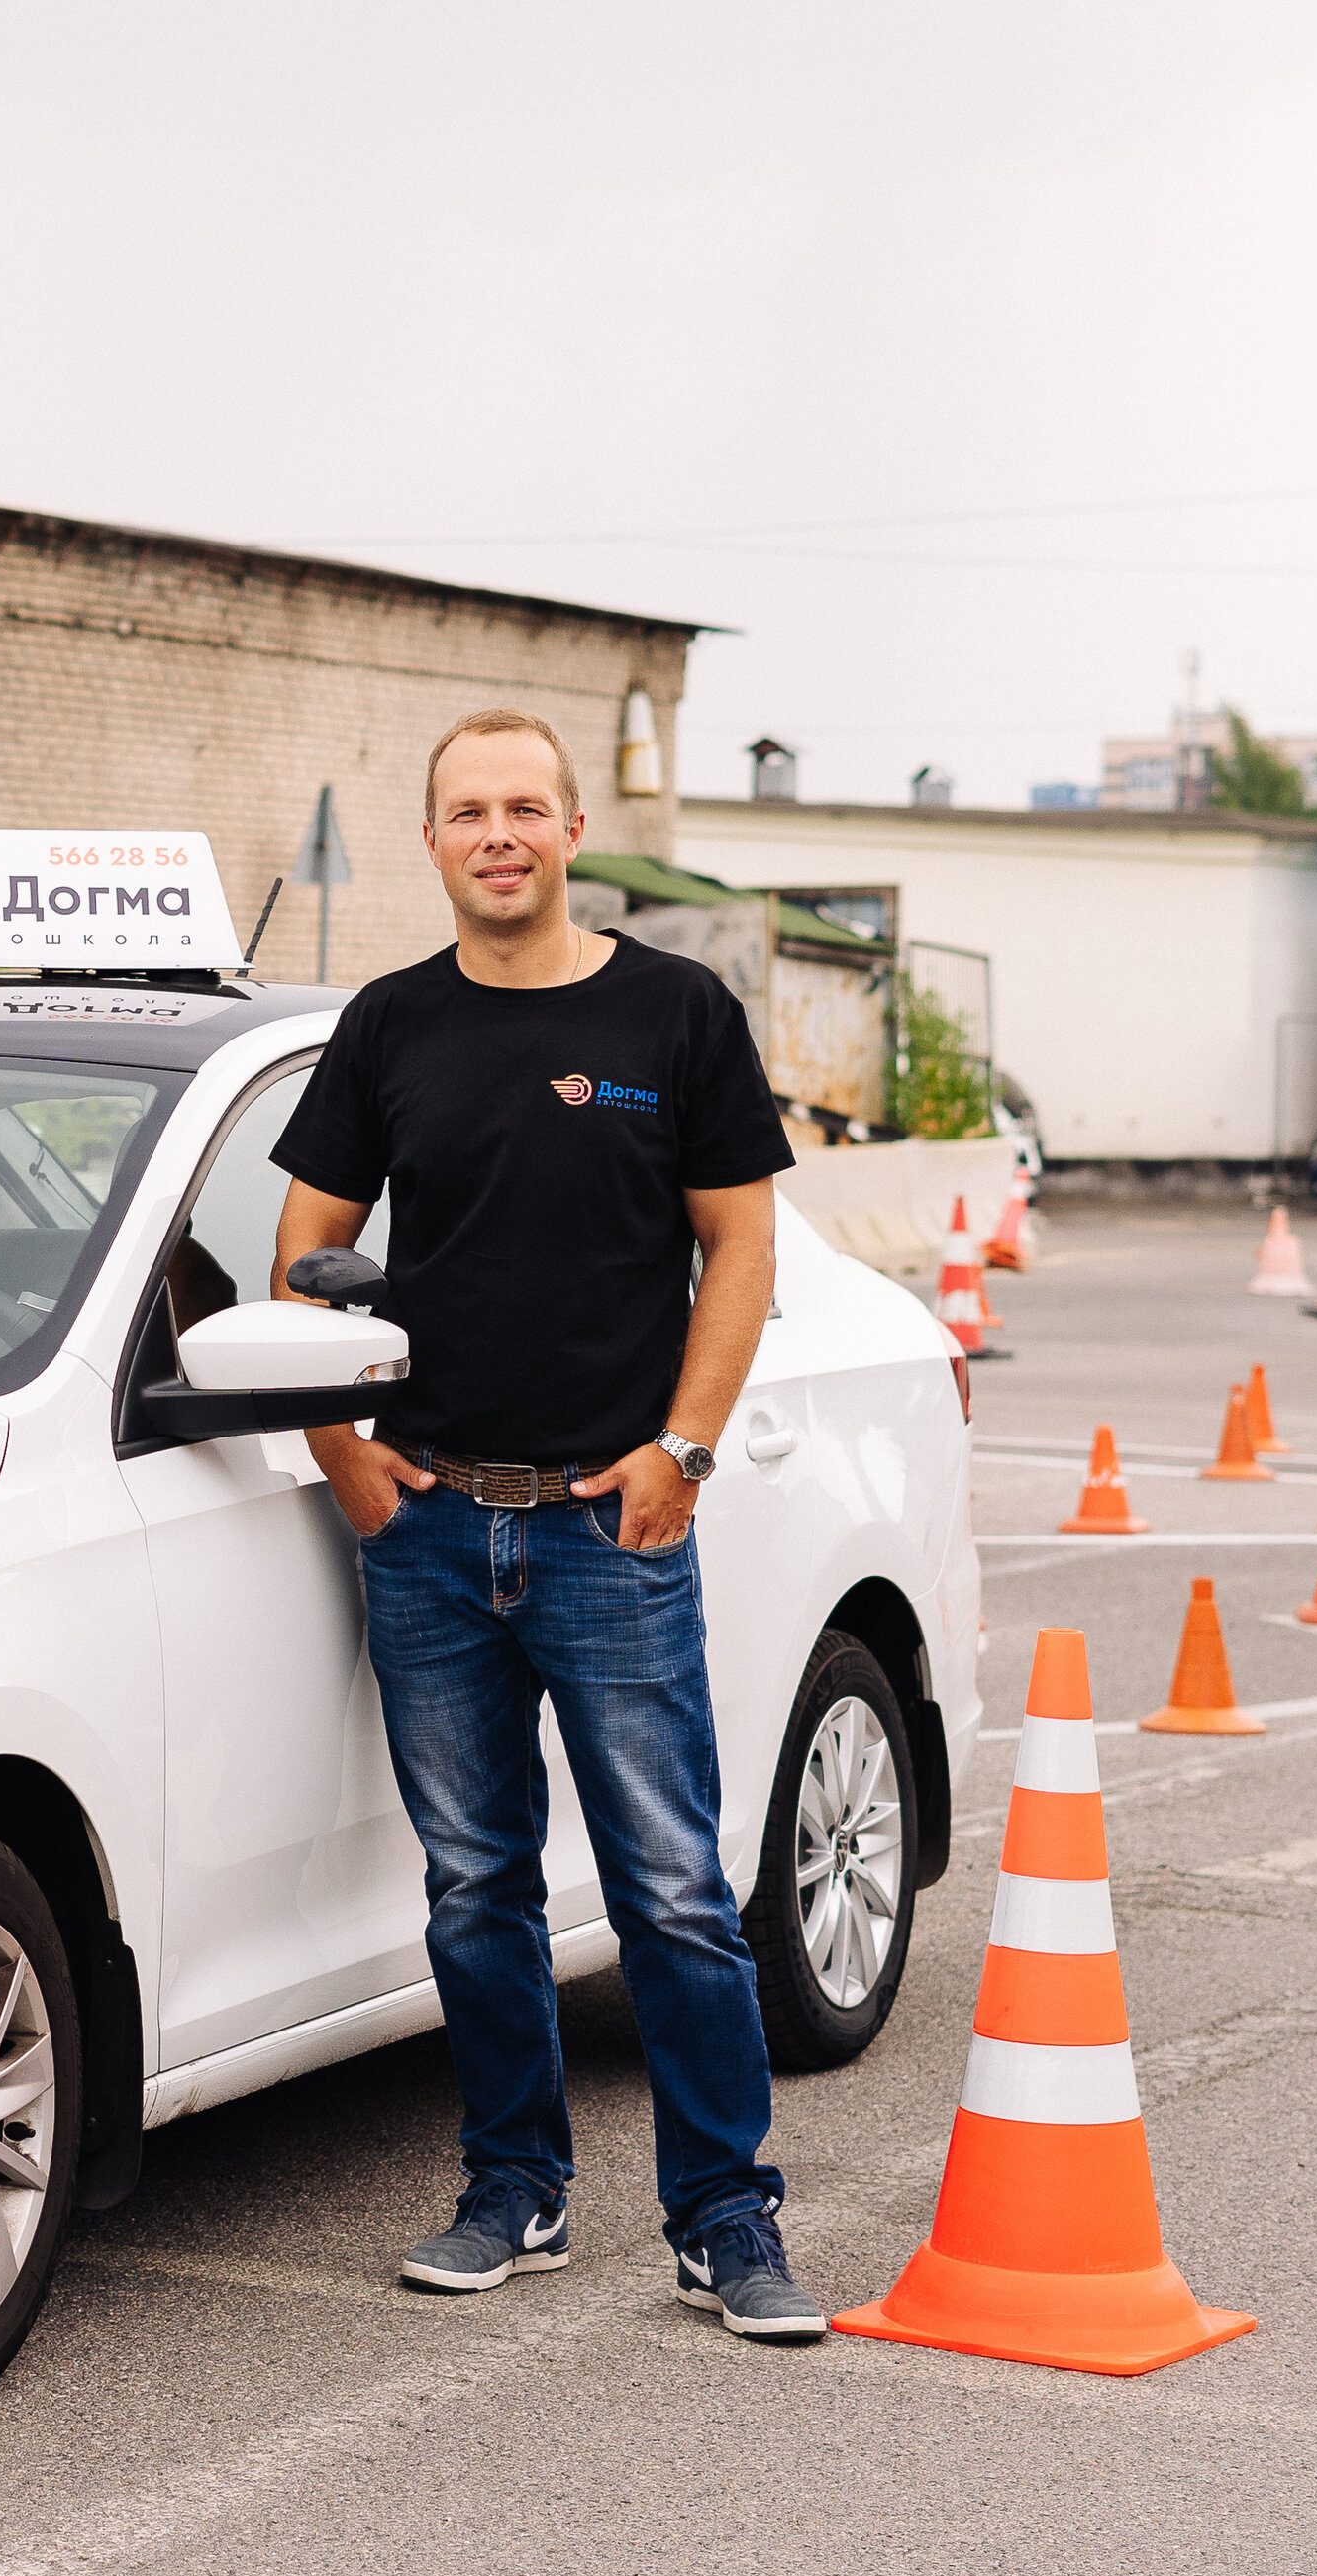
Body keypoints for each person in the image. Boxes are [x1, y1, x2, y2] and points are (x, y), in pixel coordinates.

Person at [267, 704, 823, 2342]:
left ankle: (727, 2218)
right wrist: (343, 1453)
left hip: (612, 1531)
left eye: (525, 806)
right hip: (432, 1527)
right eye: (465, 810)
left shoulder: (676, 1013)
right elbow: (303, 1261)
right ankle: (516, 2184)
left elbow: (744, 1252)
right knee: (472, 1886)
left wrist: (683, 1452)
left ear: (573, 829)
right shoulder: (387, 1028)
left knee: (668, 1890)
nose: (496, 833)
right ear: (432, 840)